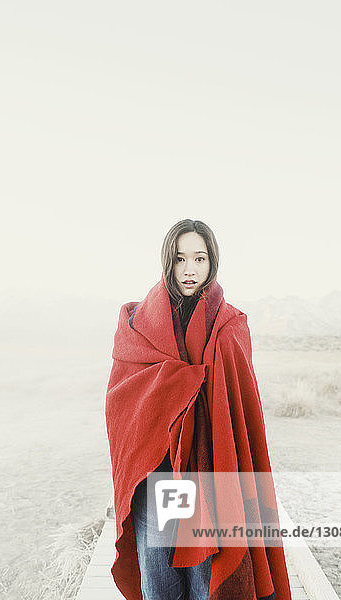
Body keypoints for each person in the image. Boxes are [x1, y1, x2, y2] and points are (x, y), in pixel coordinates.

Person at [105, 219, 292, 600]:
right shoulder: (137, 325)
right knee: (160, 581)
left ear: (212, 262)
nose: (189, 270)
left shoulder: (230, 326)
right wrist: (185, 380)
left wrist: (186, 382)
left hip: (208, 470)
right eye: (179, 259)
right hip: (157, 472)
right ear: (166, 262)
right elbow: (121, 403)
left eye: (199, 258)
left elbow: (241, 411)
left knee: (207, 581)